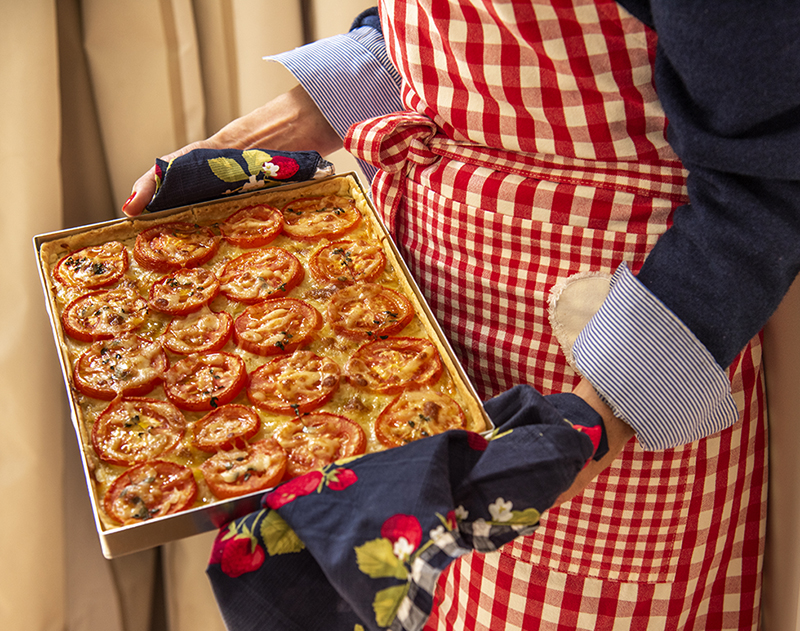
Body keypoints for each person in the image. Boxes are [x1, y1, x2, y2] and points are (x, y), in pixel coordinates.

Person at [124, 1, 800, 629]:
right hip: (419, 290)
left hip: (617, 339)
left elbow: (771, 169)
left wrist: (598, 414)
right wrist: (291, 120)